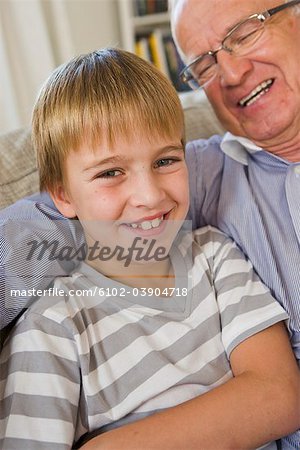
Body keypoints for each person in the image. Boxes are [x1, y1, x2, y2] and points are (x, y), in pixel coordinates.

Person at [0, 48, 298, 450]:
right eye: (110, 172)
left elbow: (280, 394)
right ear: (62, 196)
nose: (149, 195)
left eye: (165, 161)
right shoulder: (52, 328)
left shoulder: (216, 256)